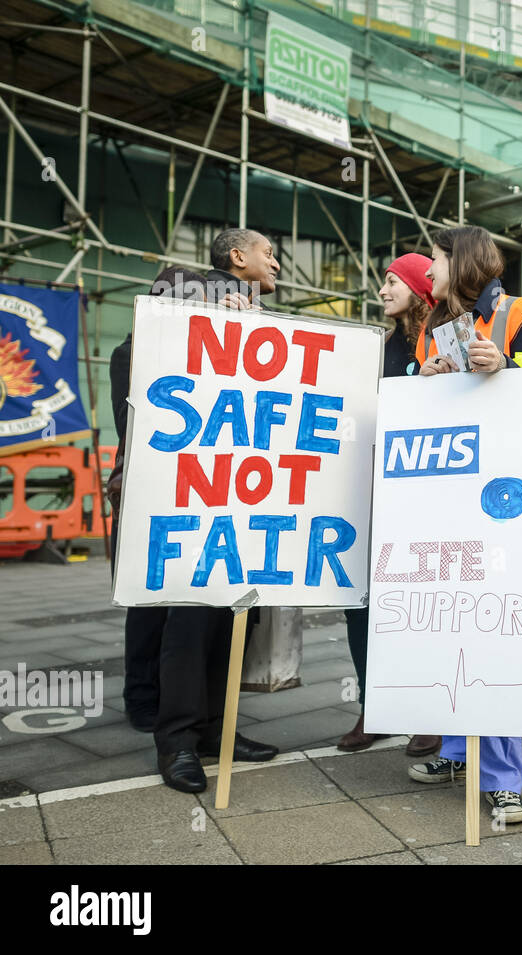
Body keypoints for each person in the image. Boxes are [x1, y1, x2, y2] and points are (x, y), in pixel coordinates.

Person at [407, 227, 522, 825]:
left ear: (462, 262)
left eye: (437, 259)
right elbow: (426, 407)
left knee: (493, 634)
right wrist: (427, 380)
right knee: (450, 624)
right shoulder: (430, 323)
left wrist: (509, 365)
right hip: (448, 496)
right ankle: (454, 747)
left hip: (505, 500)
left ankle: (501, 777)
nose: (429, 270)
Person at [143, 244, 280, 793]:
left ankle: (217, 731)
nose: (276, 263)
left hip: (249, 495)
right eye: (268, 252)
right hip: (199, 493)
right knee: (192, 619)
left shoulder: (258, 316)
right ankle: (176, 742)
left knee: (236, 620)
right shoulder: (192, 306)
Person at [338, 253, 440, 758]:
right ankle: (374, 705)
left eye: (393, 280)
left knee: (418, 602)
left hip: (426, 496)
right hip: (375, 489)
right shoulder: (377, 348)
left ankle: (428, 710)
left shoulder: (440, 339)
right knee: (362, 600)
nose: (383, 289)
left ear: (421, 288)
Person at [108, 267, 208, 732]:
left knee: (178, 604)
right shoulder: (132, 352)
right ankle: (141, 696)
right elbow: (135, 427)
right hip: (151, 488)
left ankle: (171, 698)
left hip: (188, 490)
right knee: (148, 603)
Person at [414, 225, 522, 373]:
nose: (427, 273)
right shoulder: (428, 331)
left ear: (458, 260)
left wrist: (503, 364)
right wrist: (422, 381)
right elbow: (411, 394)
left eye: (434, 259)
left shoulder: (518, 312)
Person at [205, 228, 280, 309]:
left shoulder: (262, 314)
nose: (277, 266)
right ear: (238, 257)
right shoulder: (197, 301)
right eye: (268, 254)